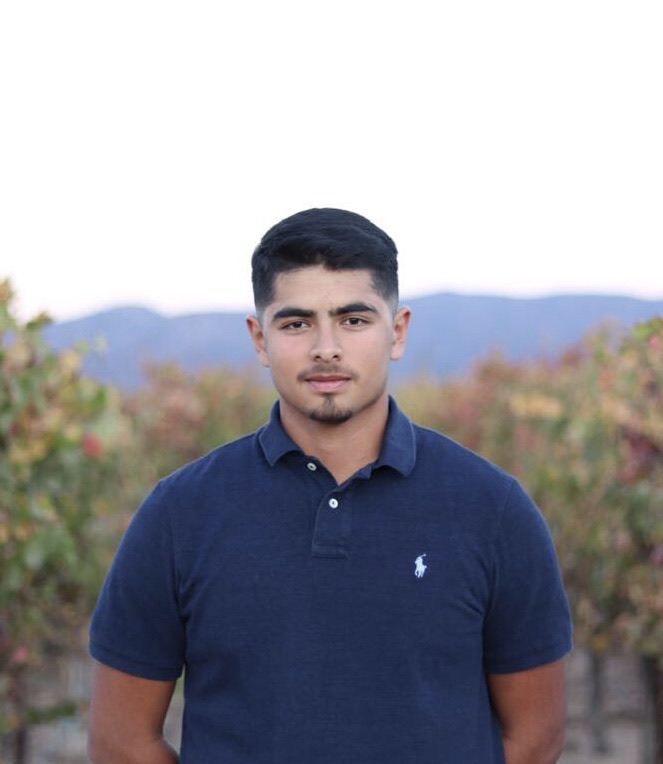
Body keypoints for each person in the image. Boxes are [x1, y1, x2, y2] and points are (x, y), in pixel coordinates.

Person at [87, 208, 573, 763]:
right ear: (259, 338)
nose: (326, 347)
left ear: (398, 331)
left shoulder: (494, 510)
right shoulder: (179, 514)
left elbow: (535, 739)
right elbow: (121, 744)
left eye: (353, 319)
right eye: (295, 323)